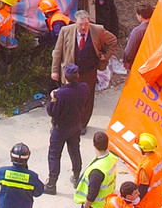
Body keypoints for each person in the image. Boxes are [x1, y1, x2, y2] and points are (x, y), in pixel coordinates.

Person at [51, 12, 118, 131]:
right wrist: (55, 71)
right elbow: (58, 51)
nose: (83, 27)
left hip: (89, 72)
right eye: (80, 24)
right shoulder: (65, 31)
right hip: (70, 73)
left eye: (86, 24)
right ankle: (64, 123)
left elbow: (113, 41)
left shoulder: (98, 30)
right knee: (66, 99)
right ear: (75, 23)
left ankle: (82, 125)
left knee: (87, 100)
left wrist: (105, 56)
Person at [44, 63, 89, 195]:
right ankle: (76, 177)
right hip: (75, 126)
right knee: (75, 151)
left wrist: (52, 98)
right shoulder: (84, 88)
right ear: (78, 76)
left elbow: (52, 111)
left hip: (60, 128)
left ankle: (52, 183)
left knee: (54, 154)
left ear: (65, 77)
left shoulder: (60, 94)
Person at [0, 143, 45, 208]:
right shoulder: (32, 177)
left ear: (11, 156)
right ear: (27, 157)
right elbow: (38, 192)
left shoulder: (2, 172)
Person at [74, 132, 117, 208]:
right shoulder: (111, 158)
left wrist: (86, 206)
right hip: (107, 202)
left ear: (93, 144)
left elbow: (92, 193)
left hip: (95, 205)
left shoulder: (97, 171)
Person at [134, 133, 162, 208]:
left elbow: (143, 187)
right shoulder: (158, 157)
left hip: (146, 203)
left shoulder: (145, 167)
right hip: (156, 198)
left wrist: (136, 200)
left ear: (143, 149)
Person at [122, 4, 153, 71]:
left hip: (139, 63)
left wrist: (126, 61)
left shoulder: (137, 31)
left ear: (140, 16)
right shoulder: (156, 26)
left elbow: (130, 49)